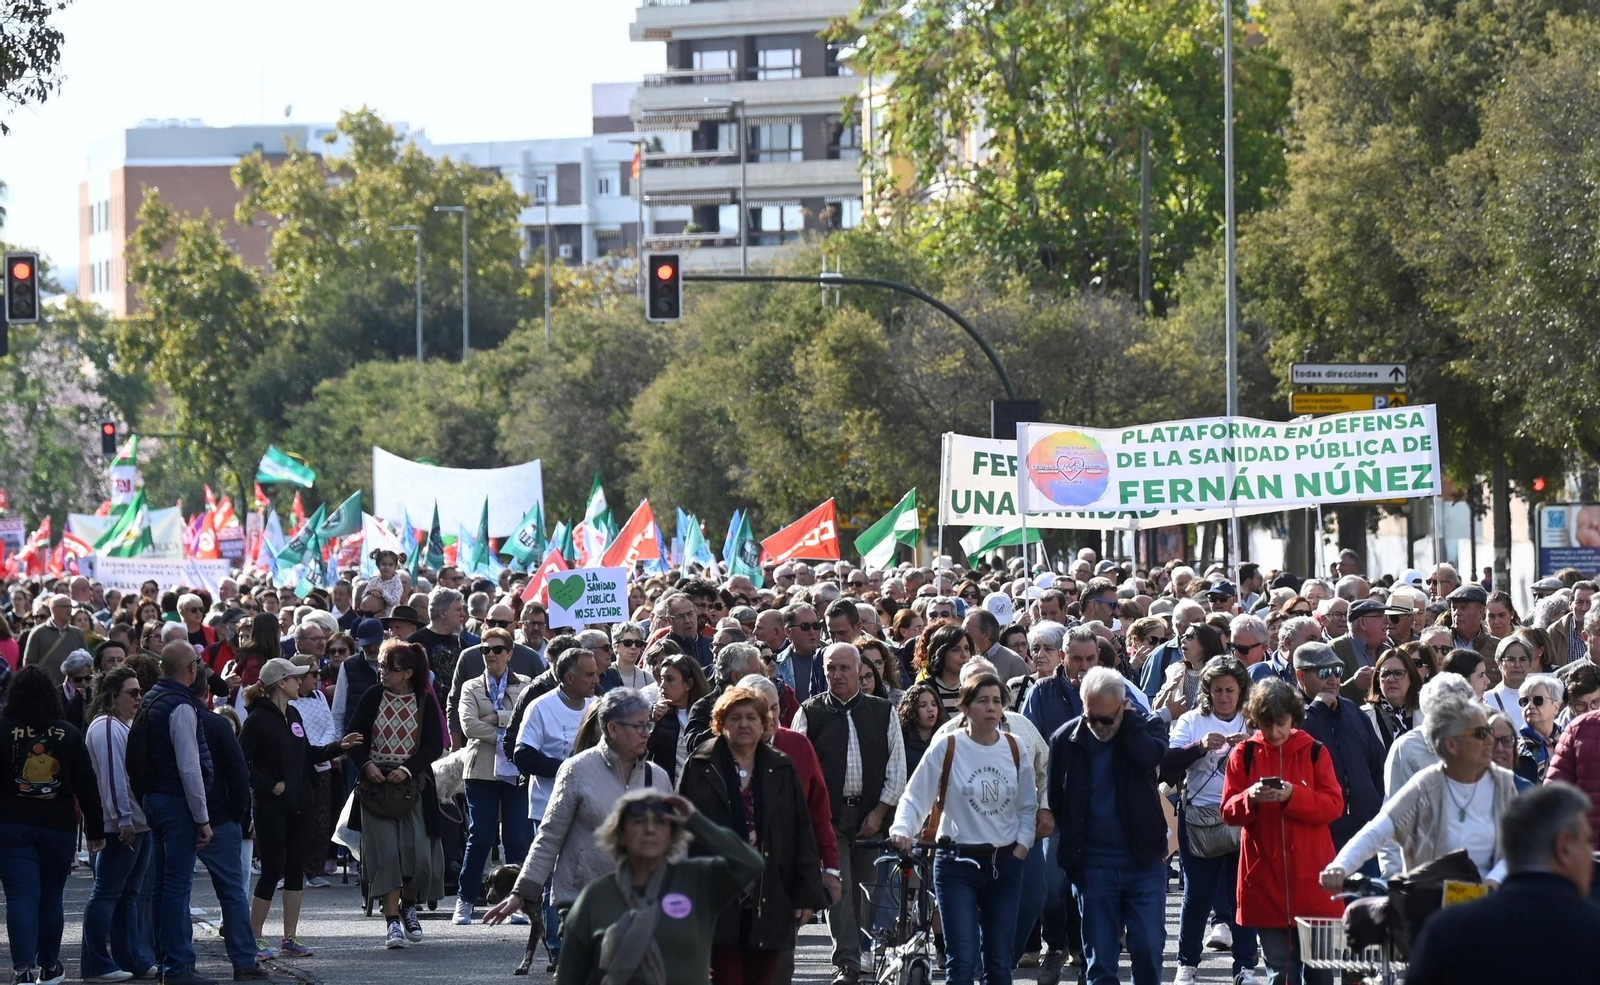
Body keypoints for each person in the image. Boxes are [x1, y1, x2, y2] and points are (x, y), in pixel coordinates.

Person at [487, 688, 669, 940]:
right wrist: (522, 892)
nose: (647, 732)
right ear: (613, 729)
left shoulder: (658, 778)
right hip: (582, 906)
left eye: (648, 724)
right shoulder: (576, 770)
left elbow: (671, 846)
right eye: (638, 726)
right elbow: (549, 836)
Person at [891, 672, 1036, 985]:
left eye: (996, 701)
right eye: (982, 701)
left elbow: (1027, 805)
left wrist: (1021, 847)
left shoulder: (1014, 747)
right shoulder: (948, 746)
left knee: (999, 962)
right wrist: (903, 828)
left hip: (1004, 864)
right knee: (963, 959)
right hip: (956, 862)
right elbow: (915, 797)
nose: (991, 708)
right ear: (966, 707)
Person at [679, 685, 826, 985]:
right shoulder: (700, 765)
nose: (744, 724)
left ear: (765, 725)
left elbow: (802, 833)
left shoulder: (782, 767)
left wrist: (806, 895)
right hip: (716, 898)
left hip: (771, 894)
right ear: (720, 724)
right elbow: (681, 835)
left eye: (751, 717)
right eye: (735, 718)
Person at [548, 789, 763, 985]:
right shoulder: (596, 897)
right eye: (639, 822)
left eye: (660, 822)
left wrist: (695, 820)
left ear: (673, 834)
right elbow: (569, 978)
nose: (650, 829)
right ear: (620, 834)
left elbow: (750, 863)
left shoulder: (698, 879)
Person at [1321, 677, 1515, 890]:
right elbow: (1377, 832)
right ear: (1451, 744)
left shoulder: (1502, 783)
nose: (1490, 740)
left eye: (1489, 731)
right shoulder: (1426, 785)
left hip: (1489, 906)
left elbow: (1518, 844)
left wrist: (1493, 880)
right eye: (1481, 733)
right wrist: (1340, 867)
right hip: (1432, 905)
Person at [791, 643, 907, 985]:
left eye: (844, 668)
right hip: (828, 820)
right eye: (831, 669)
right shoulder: (810, 712)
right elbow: (799, 771)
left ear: (860, 671)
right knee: (837, 886)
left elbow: (897, 767)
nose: (837, 675)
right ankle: (847, 963)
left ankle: (863, 952)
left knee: (866, 891)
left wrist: (881, 809)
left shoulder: (883, 711)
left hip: (873, 815)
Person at [1403, 783, 1600, 984]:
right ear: (1564, 847)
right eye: (1586, 841)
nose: (1590, 853)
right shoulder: (1593, 932)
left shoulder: (1446, 932)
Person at [1047, 667, 1168, 985]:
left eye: (1107, 718)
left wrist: (1128, 726)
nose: (1098, 726)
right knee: (1100, 963)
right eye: (1091, 717)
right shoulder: (1065, 740)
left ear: (1124, 706)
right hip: (1092, 866)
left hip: (1142, 862)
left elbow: (1151, 758)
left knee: (1148, 948)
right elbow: (1057, 801)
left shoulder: (1147, 727)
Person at [239, 657, 362, 959]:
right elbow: (240, 764)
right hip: (270, 806)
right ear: (281, 682)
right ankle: (255, 937)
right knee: (272, 870)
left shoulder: (293, 713)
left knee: (296, 870)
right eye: (295, 677)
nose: (300, 681)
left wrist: (339, 747)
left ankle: (290, 937)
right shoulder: (256, 719)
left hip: (300, 803)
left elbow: (307, 753)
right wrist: (270, 785)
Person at [1221, 678, 1343, 985]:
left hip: (1315, 882)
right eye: (1265, 725)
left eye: (1281, 724)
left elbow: (1333, 806)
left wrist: (1293, 796)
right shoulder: (1243, 754)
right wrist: (1251, 797)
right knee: (1280, 973)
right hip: (1267, 880)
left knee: (1323, 972)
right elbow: (1228, 812)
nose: (1274, 733)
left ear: (1293, 718)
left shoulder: (1315, 751)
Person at [0, 666, 104, 985]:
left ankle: (23, 968)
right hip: (57, 826)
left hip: (11, 825)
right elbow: (87, 785)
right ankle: (49, 964)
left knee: (20, 895)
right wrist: (96, 831)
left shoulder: (2, 729)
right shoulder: (68, 733)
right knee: (51, 896)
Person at [345, 641, 446, 949]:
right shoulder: (373, 696)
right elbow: (354, 738)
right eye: (382, 666)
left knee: (418, 857)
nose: (383, 672)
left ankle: (409, 906)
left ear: (408, 673)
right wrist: (366, 764)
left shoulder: (425, 700)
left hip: (412, 788)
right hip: (376, 789)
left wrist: (409, 769)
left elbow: (433, 745)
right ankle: (392, 924)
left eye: (390, 668)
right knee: (387, 854)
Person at [1163, 657, 1258, 985]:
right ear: (1207, 691)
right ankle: (1187, 963)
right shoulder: (1192, 720)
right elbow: (1168, 764)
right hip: (1201, 818)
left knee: (1243, 896)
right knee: (1198, 895)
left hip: (1244, 818)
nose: (1224, 697)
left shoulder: (1252, 720)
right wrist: (1199, 747)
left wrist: (1250, 747)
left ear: (1241, 691)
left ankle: (1244, 967)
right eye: (1217, 690)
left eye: (1230, 690)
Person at [513, 645, 601, 964]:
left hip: (591, 805)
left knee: (587, 873)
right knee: (552, 877)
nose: (596, 679)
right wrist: (566, 768)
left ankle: (584, 942)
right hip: (547, 804)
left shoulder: (599, 707)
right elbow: (522, 754)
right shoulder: (541, 707)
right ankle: (557, 946)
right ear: (568, 677)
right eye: (589, 674)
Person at [143, 641, 218, 985]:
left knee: (162, 886)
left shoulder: (151, 699)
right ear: (190, 669)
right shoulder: (181, 707)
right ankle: (177, 966)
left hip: (154, 800)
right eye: (198, 663)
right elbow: (190, 767)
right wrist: (202, 818)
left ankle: (165, 961)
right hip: (175, 804)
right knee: (176, 887)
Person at [81, 666, 155, 983]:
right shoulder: (107, 727)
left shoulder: (120, 725)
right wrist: (122, 818)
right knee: (108, 893)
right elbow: (113, 777)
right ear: (113, 696)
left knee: (128, 894)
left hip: (137, 823)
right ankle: (96, 963)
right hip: (122, 826)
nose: (139, 697)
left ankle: (131, 957)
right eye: (132, 692)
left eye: (140, 691)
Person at [454, 629, 533, 924]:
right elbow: (469, 727)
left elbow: (527, 721)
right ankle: (465, 898)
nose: (490, 655)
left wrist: (497, 719)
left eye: (497, 650)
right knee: (481, 836)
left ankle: (519, 900)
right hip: (481, 771)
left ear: (510, 653)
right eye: (485, 649)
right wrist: (507, 727)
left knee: (516, 837)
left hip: (514, 771)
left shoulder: (525, 685)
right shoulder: (471, 686)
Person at [1294, 642, 1385, 853]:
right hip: (1321, 834)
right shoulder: (1289, 714)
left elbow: (1377, 763)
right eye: (1324, 672)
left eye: (1338, 671)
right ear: (1300, 676)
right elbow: (1294, 741)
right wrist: (1318, 709)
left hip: (1364, 830)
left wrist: (1377, 810)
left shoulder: (1352, 710)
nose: (1333, 679)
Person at [645, 651, 711, 784]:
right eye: (662, 679)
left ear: (688, 684)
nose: (663, 685)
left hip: (699, 794)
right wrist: (651, 723)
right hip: (667, 794)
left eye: (670, 679)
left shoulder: (708, 714)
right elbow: (642, 757)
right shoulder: (658, 715)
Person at [1360, 648, 1421, 751]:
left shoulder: (1428, 713)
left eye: (1398, 673)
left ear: (1411, 677)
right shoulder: (1363, 717)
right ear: (1377, 680)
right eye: (1385, 674)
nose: (1391, 679)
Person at [21, 594, 88, 685]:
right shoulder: (38, 633)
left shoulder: (77, 633)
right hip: (45, 689)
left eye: (70, 606)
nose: (69, 610)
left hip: (73, 689)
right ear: (54, 608)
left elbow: (86, 663)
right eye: (65, 606)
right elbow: (29, 665)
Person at [915, 621, 973, 720]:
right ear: (941, 654)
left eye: (967, 648)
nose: (964, 655)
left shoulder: (975, 687)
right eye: (955, 650)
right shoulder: (925, 689)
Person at [1514, 673, 1564, 784]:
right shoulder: (1511, 747)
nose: (1530, 706)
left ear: (1556, 706)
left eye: (1538, 700)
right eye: (1525, 701)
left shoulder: (1569, 742)